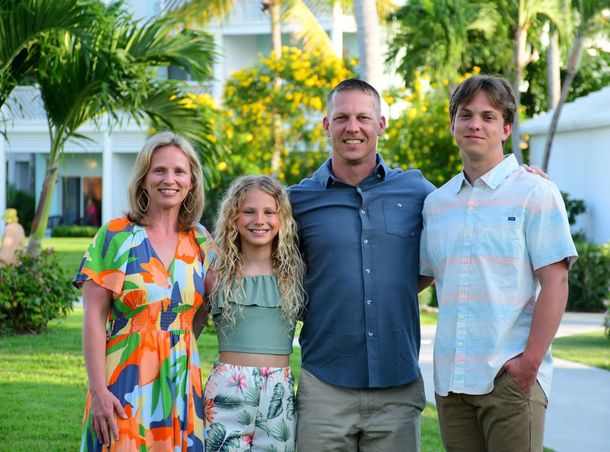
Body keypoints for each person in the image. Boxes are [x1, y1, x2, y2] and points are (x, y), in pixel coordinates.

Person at [419, 74, 577, 452]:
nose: (475, 124)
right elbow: (420, 278)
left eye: (488, 117)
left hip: (509, 380)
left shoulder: (535, 192)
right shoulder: (436, 205)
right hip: (451, 384)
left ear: (506, 127)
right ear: (453, 124)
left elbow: (556, 283)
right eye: (466, 114)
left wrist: (529, 365)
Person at [289, 79, 436, 451]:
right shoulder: (296, 201)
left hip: (398, 385)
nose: (352, 127)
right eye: (341, 118)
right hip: (324, 383)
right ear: (326, 125)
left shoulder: (418, 192)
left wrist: (520, 178)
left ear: (381, 124)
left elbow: (469, 213)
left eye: (362, 117)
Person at [73, 131, 216, 451]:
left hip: (182, 381)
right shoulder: (116, 236)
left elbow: (210, 305)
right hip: (123, 383)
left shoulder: (201, 239)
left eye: (179, 171)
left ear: (191, 181)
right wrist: (98, 391)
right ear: (143, 179)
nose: (170, 179)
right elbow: (93, 320)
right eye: (159, 170)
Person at [200, 175, 305, 451]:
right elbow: (189, 332)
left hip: (279, 392)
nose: (260, 220)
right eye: (248, 211)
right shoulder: (216, 274)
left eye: (269, 212)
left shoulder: (296, 274)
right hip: (227, 390)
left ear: (282, 219)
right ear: (233, 217)